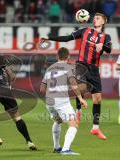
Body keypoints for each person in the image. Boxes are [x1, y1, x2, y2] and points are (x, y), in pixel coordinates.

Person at [41, 12, 112, 140]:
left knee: (97, 98)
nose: (94, 19)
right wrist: (49, 37)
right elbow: (67, 38)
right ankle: (78, 111)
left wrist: (102, 47)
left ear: (103, 21)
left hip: (94, 69)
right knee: (82, 87)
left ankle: (95, 128)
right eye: (94, 18)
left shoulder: (106, 37)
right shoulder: (85, 31)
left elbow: (109, 49)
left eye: (98, 18)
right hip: (81, 65)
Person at [40, 47, 87, 155]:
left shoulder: (50, 68)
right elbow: (74, 85)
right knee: (73, 124)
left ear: (57, 56)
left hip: (49, 101)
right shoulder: (67, 67)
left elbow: (42, 89)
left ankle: (56, 147)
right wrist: (80, 99)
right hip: (61, 101)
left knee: (58, 121)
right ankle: (66, 150)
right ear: (68, 57)